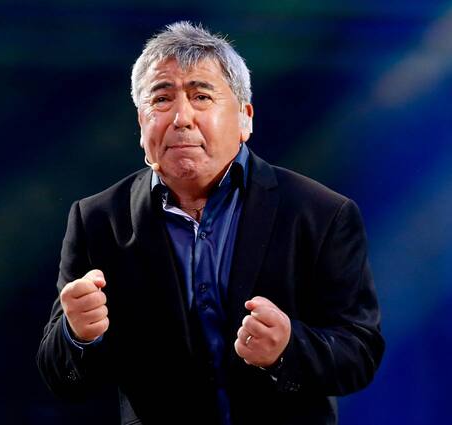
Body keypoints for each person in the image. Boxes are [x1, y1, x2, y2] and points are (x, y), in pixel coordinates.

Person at [37, 21, 384, 425]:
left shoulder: (321, 213)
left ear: (245, 118)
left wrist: (288, 348)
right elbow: (59, 377)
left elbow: (360, 352)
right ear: (141, 124)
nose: (181, 117)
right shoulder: (97, 220)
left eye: (201, 96)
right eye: (161, 99)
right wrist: (78, 335)